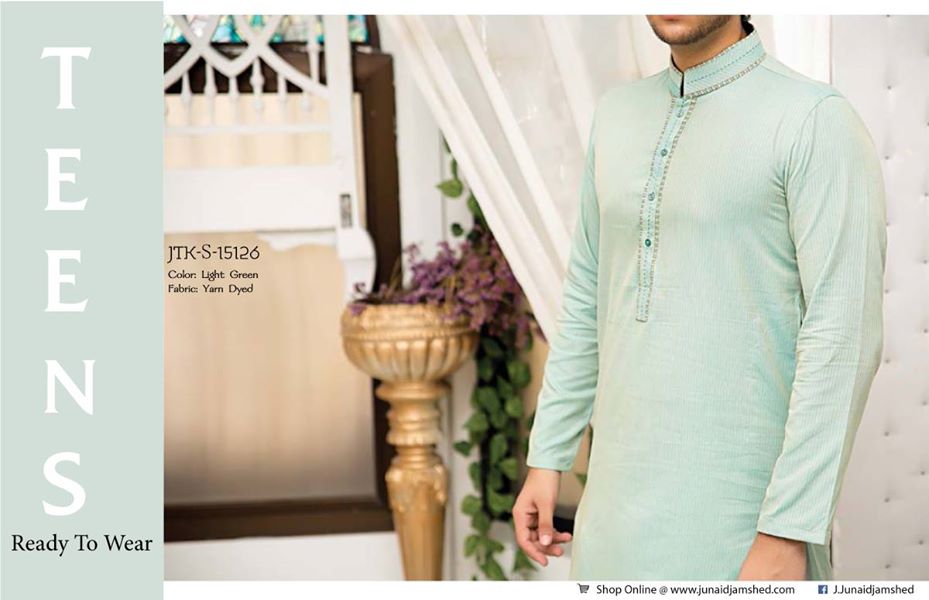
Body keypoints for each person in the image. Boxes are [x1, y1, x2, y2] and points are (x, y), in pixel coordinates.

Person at [513, 15, 887, 581]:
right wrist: (547, 456)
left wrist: (787, 530)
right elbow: (588, 296)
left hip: (742, 535)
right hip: (609, 529)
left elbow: (845, 336)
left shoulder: (815, 120)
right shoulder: (615, 116)